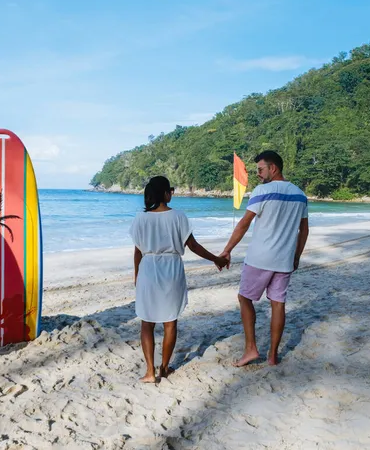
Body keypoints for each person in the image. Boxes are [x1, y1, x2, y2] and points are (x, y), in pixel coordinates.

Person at [130, 176, 228, 383]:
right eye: (171, 190)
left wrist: (137, 275)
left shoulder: (141, 218)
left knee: (147, 323)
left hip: (148, 268)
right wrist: (216, 259)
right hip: (171, 268)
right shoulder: (178, 216)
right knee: (170, 321)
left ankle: (149, 372)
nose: (171, 193)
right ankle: (164, 369)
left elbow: (138, 251)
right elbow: (193, 245)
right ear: (166, 193)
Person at [220, 150, 309, 367]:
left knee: (244, 298)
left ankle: (251, 349)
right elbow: (303, 231)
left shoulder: (262, 191)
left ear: (273, 168)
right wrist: (296, 255)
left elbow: (244, 223)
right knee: (278, 305)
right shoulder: (300, 195)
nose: (258, 174)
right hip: (284, 260)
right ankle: (273, 356)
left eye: (261, 169)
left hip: (260, 259)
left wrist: (227, 250)